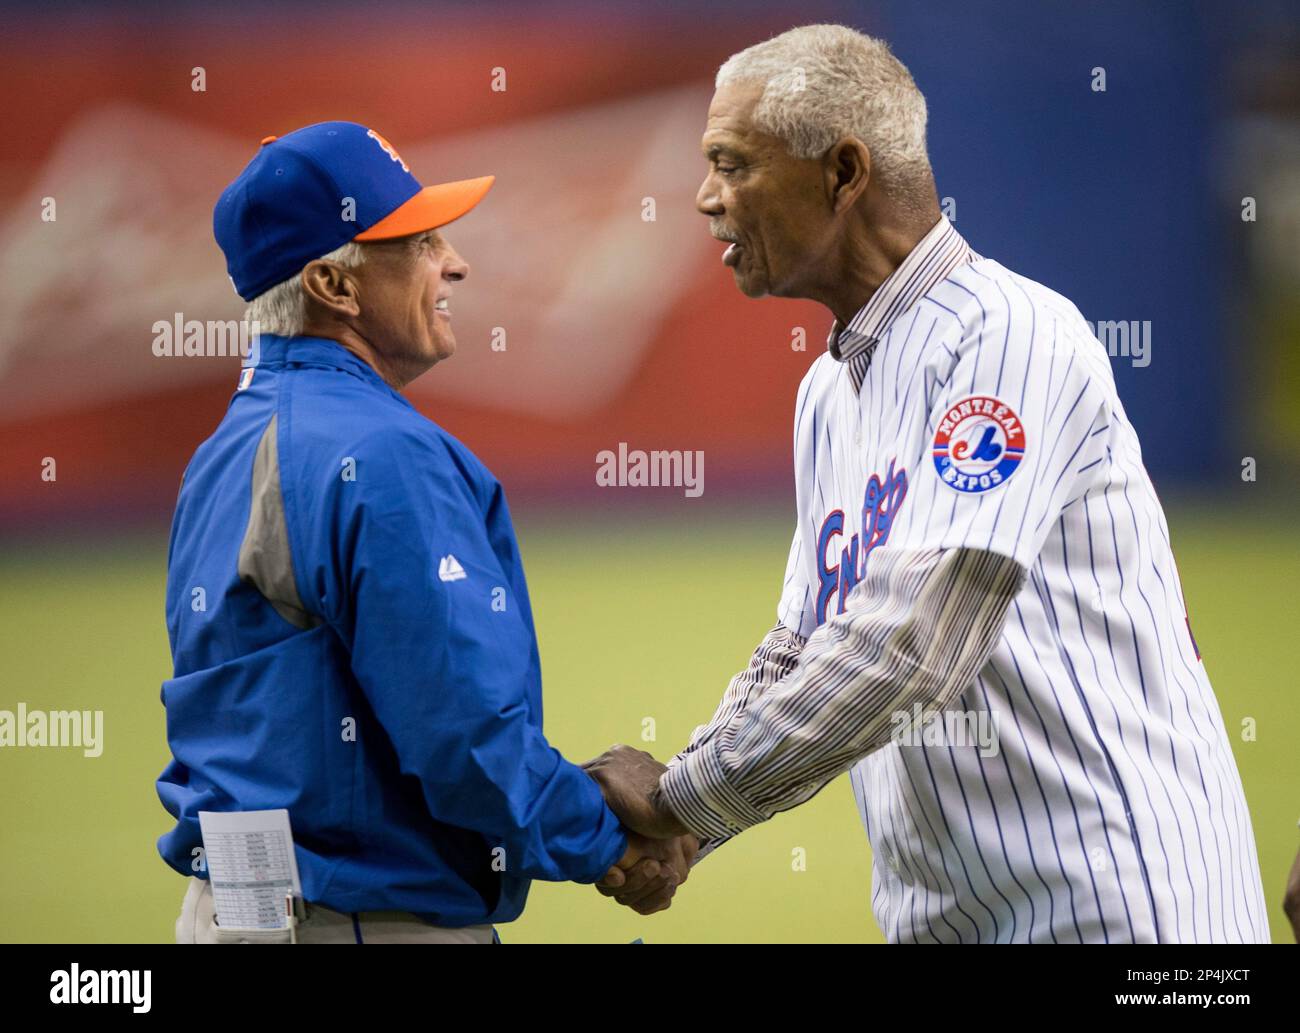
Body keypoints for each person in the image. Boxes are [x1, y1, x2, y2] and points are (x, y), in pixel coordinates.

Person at [586, 25, 1270, 943]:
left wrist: (681, 798)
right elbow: (805, 645)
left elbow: (916, 644)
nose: (705, 198)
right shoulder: (828, 389)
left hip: (1119, 903)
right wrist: (693, 826)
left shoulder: (1009, 332)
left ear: (843, 172)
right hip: (946, 916)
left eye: (731, 162)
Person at [159, 121, 694, 943]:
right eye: (415, 241)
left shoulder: (220, 450)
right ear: (333, 285)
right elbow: (461, 739)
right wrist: (609, 834)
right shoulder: (382, 451)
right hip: (362, 921)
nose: (455, 261)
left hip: (234, 912)